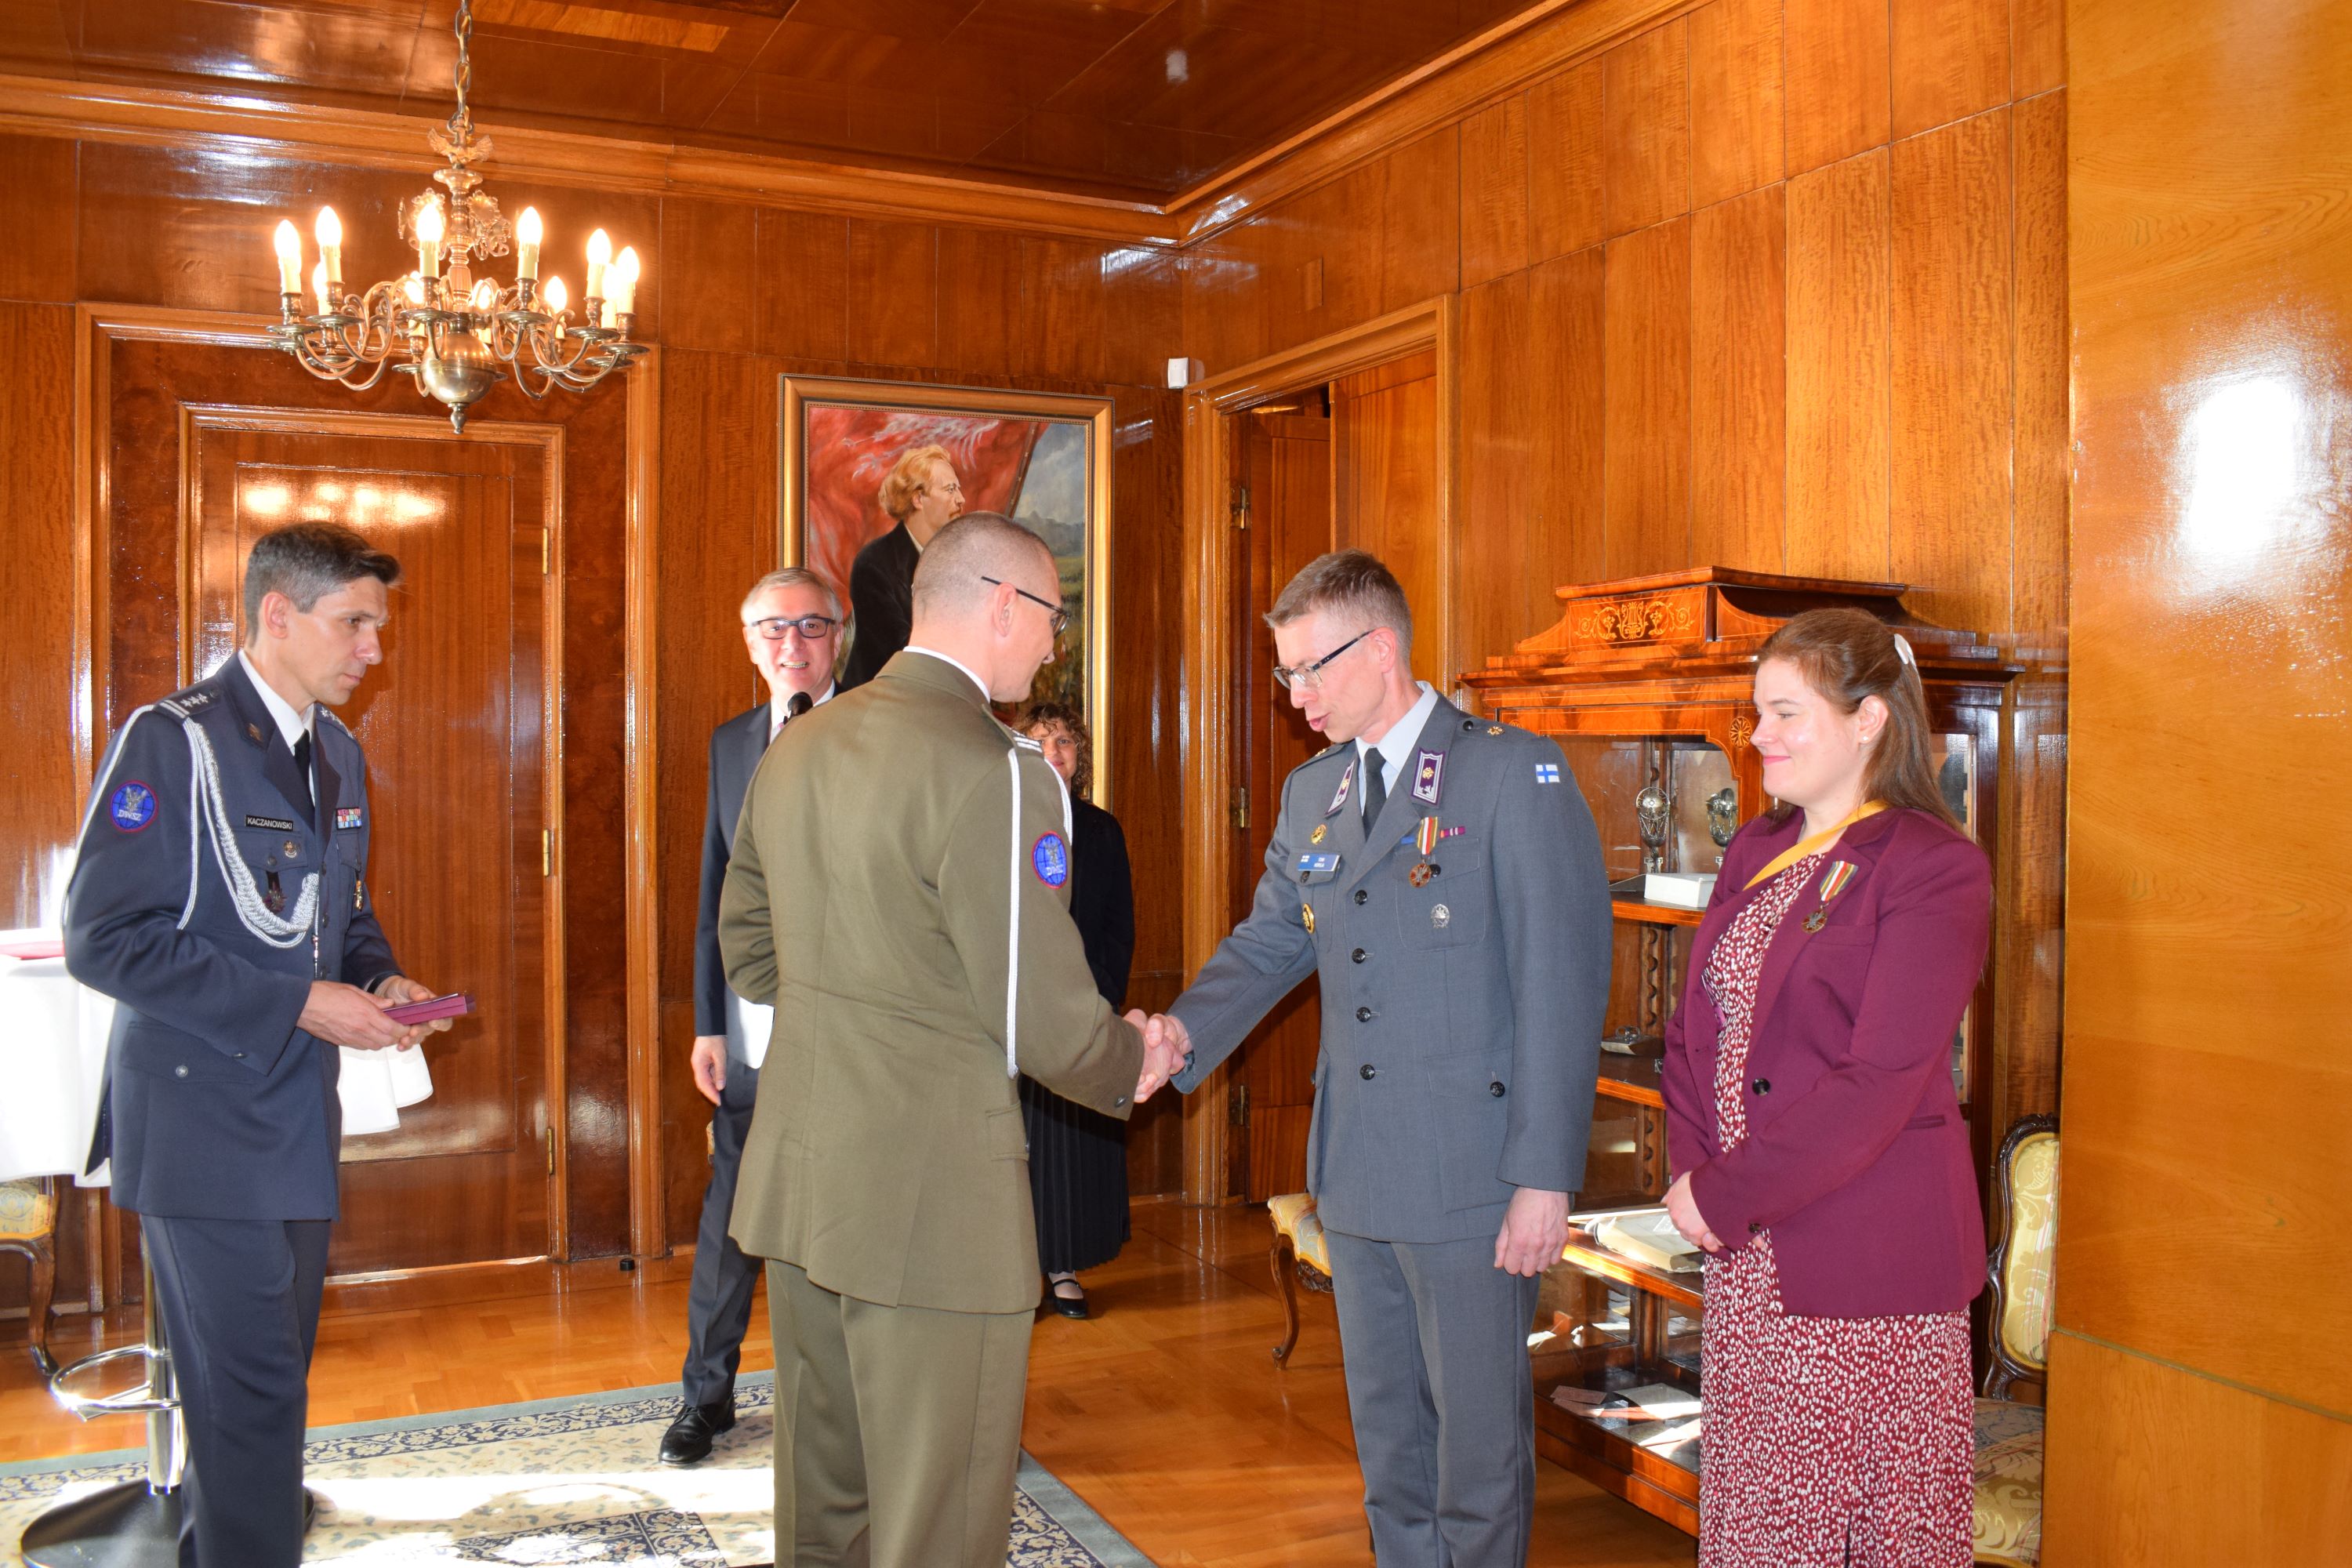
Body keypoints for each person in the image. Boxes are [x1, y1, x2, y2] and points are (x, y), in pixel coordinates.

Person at [718, 512, 1180, 1568]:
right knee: (940, 1519)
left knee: (826, 1505)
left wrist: (862, 1008)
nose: (1053, 644)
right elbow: (1042, 1013)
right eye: (1053, 616)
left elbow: (747, 948)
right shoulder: (1001, 770)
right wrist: (1134, 1058)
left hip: (802, 1178)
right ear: (1005, 605)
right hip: (932, 1198)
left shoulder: (801, 744)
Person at [1145, 549, 1612, 1567]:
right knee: (1392, 1452)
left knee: (1478, 1463)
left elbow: (1562, 988)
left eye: (1310, 669)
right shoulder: (1315, 791)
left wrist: (1544, 1176)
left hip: (1475, 1181)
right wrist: (1180, 1033)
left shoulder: (1510, 774)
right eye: (1286, 674)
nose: (1296, 695)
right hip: (1356, 1173)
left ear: (1383, 646)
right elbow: (1270, 942)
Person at [63, 522, 453, 1568]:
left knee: (262, 1383)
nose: (373, 646)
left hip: (292, 1116)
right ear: (277, 614)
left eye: (377, 624)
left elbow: (341, 914)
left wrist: (380, 978)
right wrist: (299, 1002)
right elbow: (106, 938)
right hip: (200, 1118)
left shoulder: (337, 752)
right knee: (252, 1396)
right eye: (354, 622)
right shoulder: (173, 739)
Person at [1658, 607, 1990, 1568]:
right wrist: (1694, 1178)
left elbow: (1879, 1081)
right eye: (1757, 712)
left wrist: (1727, 1191)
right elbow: (1694, 1028)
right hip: (1746, 1251)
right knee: (1760, 1526)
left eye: (1786, 713)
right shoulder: (1756, 847)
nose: (1759, 735)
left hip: (1866, 1263)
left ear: (1869, 719)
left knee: (1863, 1534)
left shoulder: (1934, 865)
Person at [661, 568, 842, 1466]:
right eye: (774, 627)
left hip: (852, 1022)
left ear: (839, 635)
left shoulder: (872, 729)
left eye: (811, 625)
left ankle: (843, 1398)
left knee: (842, 1212)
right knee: (732, 1210)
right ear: (749, 642)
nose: (791, 644)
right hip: (753, 1025)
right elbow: (716, 887)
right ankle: (707, 1395)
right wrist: (709, 1021)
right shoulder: (732, 741)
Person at [1015, 700, 1135, 1319]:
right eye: (1040, 741)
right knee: (1014, 1146)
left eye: (1063, 741)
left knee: (1065, 1146)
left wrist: (1102, 996)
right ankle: (1014, 1272)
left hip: (1082, 1010)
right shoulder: (1004, 820)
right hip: (1016, 1011)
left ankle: (1062, 1268)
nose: (1053, 752)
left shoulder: (1102, 831)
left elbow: (1119, 925)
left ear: (1079, 753)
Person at [838, 444, 964, 690]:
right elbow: (903, 652)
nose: (961, 499)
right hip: (879, 699)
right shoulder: (873, 565)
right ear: (918, 499)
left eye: (958, 489)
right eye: (950, 489)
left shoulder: (959, 559)